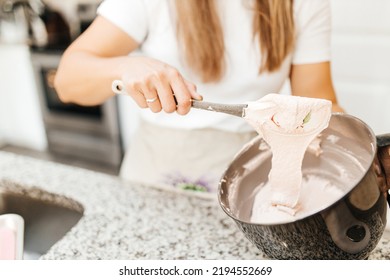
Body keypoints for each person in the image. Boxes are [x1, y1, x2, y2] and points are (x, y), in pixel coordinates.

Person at [54, 0, 389, 195]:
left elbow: (319, 103)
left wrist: (365, 155)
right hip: (157, 173)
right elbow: (67, 81)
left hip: (254, 172)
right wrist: (125, 67)